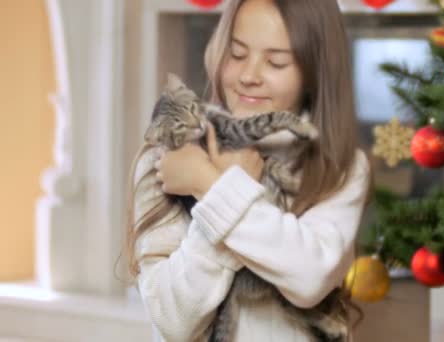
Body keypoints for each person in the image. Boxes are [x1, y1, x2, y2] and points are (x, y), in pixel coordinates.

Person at [125, 0, 372, 340]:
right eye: (237, 54)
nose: (248, 76)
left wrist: (212, 187)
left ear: (314, 73)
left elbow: (309, 278)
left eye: (276, 62)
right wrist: (217, 204)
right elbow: (172, 321)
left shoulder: (339, 167)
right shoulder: (169, 159)